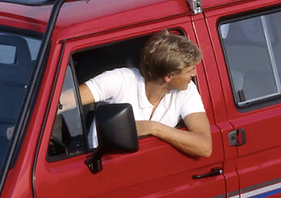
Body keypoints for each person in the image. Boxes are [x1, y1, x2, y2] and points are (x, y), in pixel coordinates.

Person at [79, 30, 213, 159]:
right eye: (189, 70)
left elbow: (205, 146)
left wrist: (154, 128)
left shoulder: (186, 90)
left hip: (149, 165)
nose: (194, 74)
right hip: (102, 164)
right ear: (168, 76)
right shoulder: (121, 80)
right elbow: (69, 100)